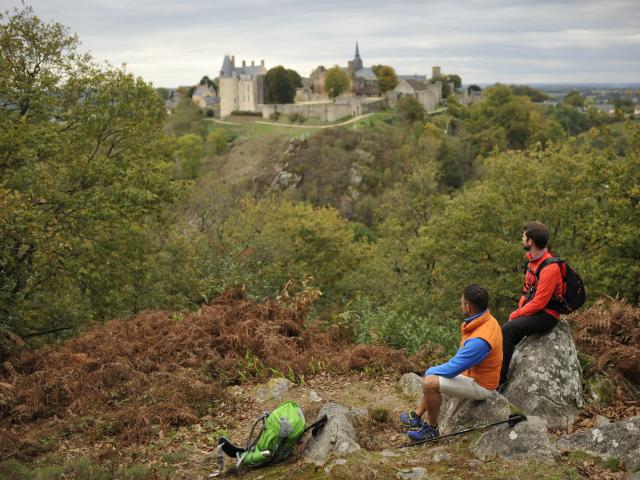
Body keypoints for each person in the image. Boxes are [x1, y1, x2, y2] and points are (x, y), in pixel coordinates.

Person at [400, 284, 503, 441]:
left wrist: (430, 372)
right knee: (434, 375)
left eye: (462, 302)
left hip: (481, 385)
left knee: (430, 382)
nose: (460, 304)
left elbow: (453, 369)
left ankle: (432, 429)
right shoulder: (485, 319)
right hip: (471, 374)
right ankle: (416, 416)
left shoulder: (480, 340)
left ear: (468, 307)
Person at [499, 221, 562, 386]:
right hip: (535, 311)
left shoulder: (550, 268)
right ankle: (494, 374)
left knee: (508, 330)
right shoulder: (533, 262)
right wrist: (520, 309)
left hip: (547, 315)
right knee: (506, 330)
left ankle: (499, 381)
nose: (522, 238)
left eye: (523, 236)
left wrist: (517, 314)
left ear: (530, 242)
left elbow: (540, 303)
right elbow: (527, 290)